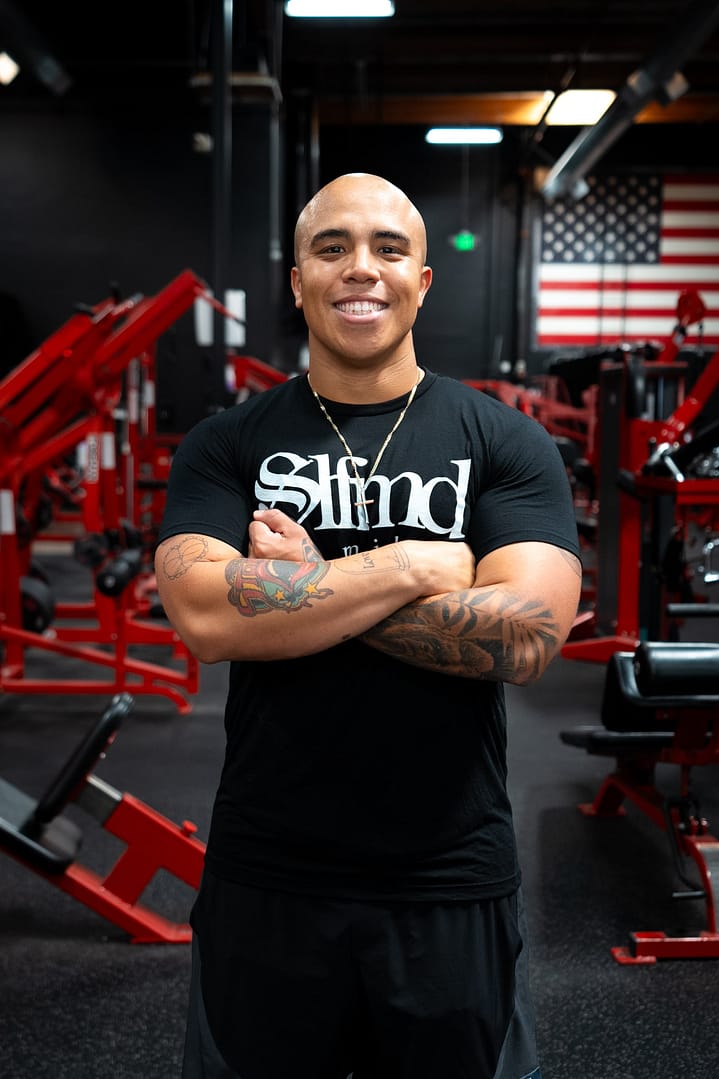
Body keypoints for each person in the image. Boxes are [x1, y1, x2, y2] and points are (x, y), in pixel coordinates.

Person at [155, 172, 582, 1079]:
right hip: (266, 871)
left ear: (422, 281)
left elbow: (527, 635)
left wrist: (305, 589)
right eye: (332, 247)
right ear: (299, 280)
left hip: (448, 873)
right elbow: (201, 613)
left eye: (389, 249)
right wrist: (411, 565)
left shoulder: (501, 441)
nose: (362, 269)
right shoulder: (225, 445)